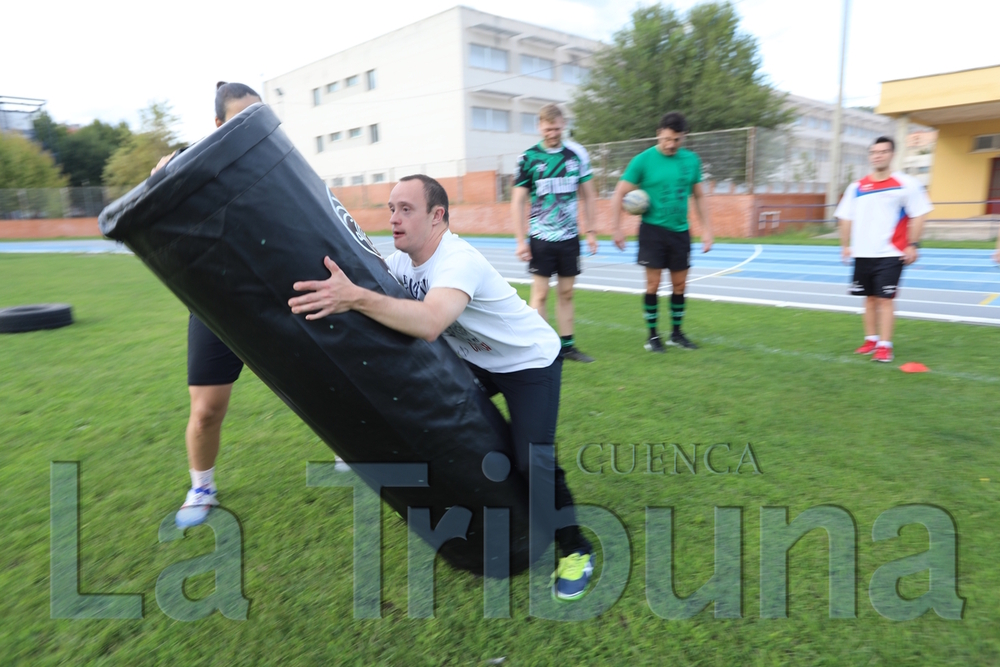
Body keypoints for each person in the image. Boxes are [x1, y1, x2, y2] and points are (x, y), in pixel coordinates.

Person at [288, 174, 595, 600]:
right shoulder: (400, 264)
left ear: (438, 216)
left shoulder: (457, 259)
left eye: (406, 209)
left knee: (532, 460)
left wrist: (354, 297)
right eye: (391, 208)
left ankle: (575, 548)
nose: (394, 218)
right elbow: (374, 306)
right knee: (430, 423)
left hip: (527, 361)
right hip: (477, 360)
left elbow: (430, 323)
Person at [610, 111, 713, 353]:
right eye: (666, 139)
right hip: (652, 231)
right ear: (659, 134)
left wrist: (708, 230)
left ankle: (676, 334)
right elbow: (619, 192)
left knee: (680, 286)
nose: (671, 144)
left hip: (680, 232)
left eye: (676, 140)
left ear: (683, 137)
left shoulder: (691, 160)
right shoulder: (643, 160)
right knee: (653, 284)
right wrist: (616, 228)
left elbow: (699, 195)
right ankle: (653, 336)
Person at [512, 104, 598, 363]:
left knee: (567, 292)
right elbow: (518, 201)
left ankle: (568, 346)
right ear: (540, 127)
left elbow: (589, 194)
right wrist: (520, 240)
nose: (553, 133)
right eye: (548, 129)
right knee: (539, 294)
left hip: (570, 237)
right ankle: (542, 346)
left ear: (564, 125)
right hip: (540, 237)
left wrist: (591, 231)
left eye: (557, 128)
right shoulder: (528, 158)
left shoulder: (576, 154)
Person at [836, 136, 932, 363]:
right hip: (863, 253)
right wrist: (845, 245)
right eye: (874, 152)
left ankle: (885, 346)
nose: (877, 155)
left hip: (891, 252)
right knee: (868, 299)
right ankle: (870, 340)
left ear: (892, 154)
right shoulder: (856, 187)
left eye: (883, 151)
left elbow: (919, 214)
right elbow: (845, 217)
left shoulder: (906, 184)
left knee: (885, 299)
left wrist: (913, 244)